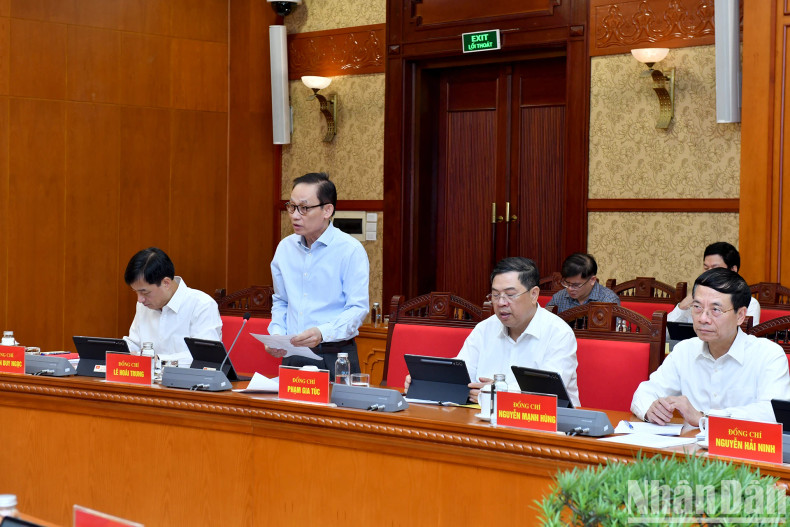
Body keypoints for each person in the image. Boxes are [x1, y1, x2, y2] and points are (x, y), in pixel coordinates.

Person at [405, 257, 579, 406]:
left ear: (534, 294)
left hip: (548, 431)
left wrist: (498, 394)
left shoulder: (558, 334)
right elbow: (460, 376)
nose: (501, 302)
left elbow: (550, 395)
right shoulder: (485, 329)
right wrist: (427, 382)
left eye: (510, 295)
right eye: (495, 295)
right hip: (486, 426)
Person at [631, 268, 790, 426]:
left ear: (740, 316)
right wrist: (651, 410)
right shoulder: (684, 350)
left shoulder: (768, 354)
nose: (703, 318)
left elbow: (772, 413)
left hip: (741, 447)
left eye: (715, 310)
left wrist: (704, 418)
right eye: (697, 307)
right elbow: (645, 393)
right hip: (689, 449)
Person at [265, 172, 369, 379]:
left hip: (335, 355)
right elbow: (282, 301)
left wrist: (323, 332)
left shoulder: (350, 250)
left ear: (327, 210)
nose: (295, 215)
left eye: (304, 208)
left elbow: (357, 308)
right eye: (292, 206)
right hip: (293, 355)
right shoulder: (285, 248)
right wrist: (277, 335)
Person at [123, 247, 223, 367]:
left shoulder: (202, 305)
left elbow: (206, 357)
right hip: (147, 383)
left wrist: (158, 360)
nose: (140, 299)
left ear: (166, 283)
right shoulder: (143, 305)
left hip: (188, 382)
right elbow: (134, 344)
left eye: (145, 292)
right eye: (136, 292)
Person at [668, 242, 760, 324]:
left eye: (715, 268)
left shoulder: (749, 304)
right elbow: (665, 334)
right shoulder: (695, 300)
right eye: (706, 268)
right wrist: (682, 307)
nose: (709, 273)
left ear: (733, 270)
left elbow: (744, 339)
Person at [546, 253, 620, 313]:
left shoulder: (608, 300)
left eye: (576, 285)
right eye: (567, 283)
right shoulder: (559, 298)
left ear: (592, 280)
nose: (570, 289)